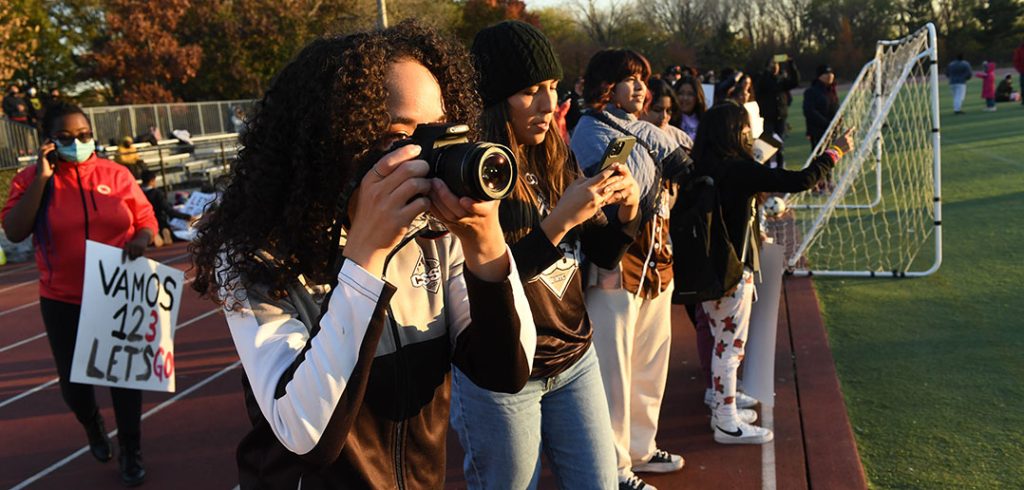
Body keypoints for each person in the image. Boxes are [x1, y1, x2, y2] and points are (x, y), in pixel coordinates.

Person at [189, 21, 537, 489]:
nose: (426, 154)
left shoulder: (437, 236)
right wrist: (365, 260)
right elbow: (307, 436)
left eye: (438, 131)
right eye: (398, 137)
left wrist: (485, 243)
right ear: (330, 144)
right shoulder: (257, 258)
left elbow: (507, 370)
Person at [451, 21, 643, 490]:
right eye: (530, 90)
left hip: (574, 357)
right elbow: (489, 283)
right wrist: (557, 222)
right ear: (495, 99)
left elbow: (601, 250)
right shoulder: (471, 169)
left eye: (553, 87)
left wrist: (628, 210)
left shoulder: (553, 153)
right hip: (505, 377)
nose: (548, 104)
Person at [1, 101, 156, 486]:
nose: (79, 142)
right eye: (67, 137)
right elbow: (15, 230)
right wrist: (41, 177)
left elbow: (146, 218)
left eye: (85, 135)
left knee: (124, 379)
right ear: (48, 142)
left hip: (116, 291)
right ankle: (91, 425)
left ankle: (131, 451)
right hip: (62, 298)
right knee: (75, 386)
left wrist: (141, 238)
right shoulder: (30, 179)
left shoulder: (115, 174)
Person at [687, 103, 854, 444]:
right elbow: (801, 180)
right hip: (732, 271)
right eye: (745, 129)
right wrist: (836, 152)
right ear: (734, 132)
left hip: (712, 270)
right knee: (730, 348)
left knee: (723, 343)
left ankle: (723, 403)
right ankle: (725, 421)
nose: (750, 135)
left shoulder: (704, 165)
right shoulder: (737, 169)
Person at [572, 48, 692, 490]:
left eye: (643, 79)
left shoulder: (649, 130)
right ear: (605, 85)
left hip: (656, 259)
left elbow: (683, 170)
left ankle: (641, 447)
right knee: (613, 371)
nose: (640, 88)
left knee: (650, 361)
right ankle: (614, 467)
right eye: (629, 79)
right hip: (615, 265)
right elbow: (609, 195)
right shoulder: (589, 130)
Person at [139, 169, 193, 246]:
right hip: (159, 221)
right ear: (152, 180)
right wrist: (186, 217)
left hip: (144, 223)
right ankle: (164, 232)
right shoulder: (157, 193)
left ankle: (155, 235)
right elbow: (168, 210)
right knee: (176, 237)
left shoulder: (138, 193)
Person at [641, 78, 693, 150]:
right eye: (657, 110)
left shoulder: (681, 139)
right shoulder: (630, 137)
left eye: (668, 111)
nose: (664, 116)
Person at [803, 64, 839, 148]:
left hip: (833, 131)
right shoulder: (811, 92)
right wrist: (827, 123)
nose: (830, 76)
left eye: (831, 73)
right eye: (826, 74)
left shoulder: (832, 91)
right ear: (819, 76)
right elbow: (810, 111)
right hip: (818, 132)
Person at [675, 75, 706, 141]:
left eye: (690, 94)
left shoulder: (706, 121)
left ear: (697, 97)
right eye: (681, 93)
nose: (685, 98)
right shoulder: (667, 120)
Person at [1015, 40, 1024, 106]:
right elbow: (1016, 61)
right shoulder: (1020, 49)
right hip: (1023, 71)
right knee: (1023, 86)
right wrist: (1020, 69)